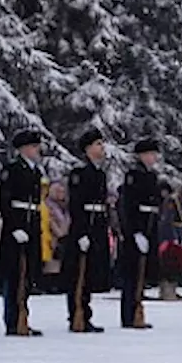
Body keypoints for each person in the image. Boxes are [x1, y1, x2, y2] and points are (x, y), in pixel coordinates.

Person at [63, 129, 113, 332]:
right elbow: (76, 204)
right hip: (84, 226)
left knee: (90, 273)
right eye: (98, 144)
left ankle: (86, 313)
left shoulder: (100, 173)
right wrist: (82, 232)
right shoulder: (80, 173)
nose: (102, 148)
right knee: (79, 275)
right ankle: (77, 314)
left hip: (97, 225)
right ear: (88, 148)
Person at [0, 129, 46, 335]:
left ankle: (23, 316)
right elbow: (5, 201)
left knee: (28, 275)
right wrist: (15, 226)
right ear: (24, 149)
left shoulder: (35, 171)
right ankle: (12, 319)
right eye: (34, 146)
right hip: (16, 226)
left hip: (32, 223)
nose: (38, 150)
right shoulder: (12, 169)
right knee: (14, 274)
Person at [117, 138, 166, 329]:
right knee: (132, 272)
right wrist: (135, 231)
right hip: (138, 225)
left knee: (141, 272)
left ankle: (137, 309)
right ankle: (129, 315)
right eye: (151, 154)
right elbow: (128, 206)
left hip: (150, 223)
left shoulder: (152, 176)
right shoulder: (133, 176)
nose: (154, 158)